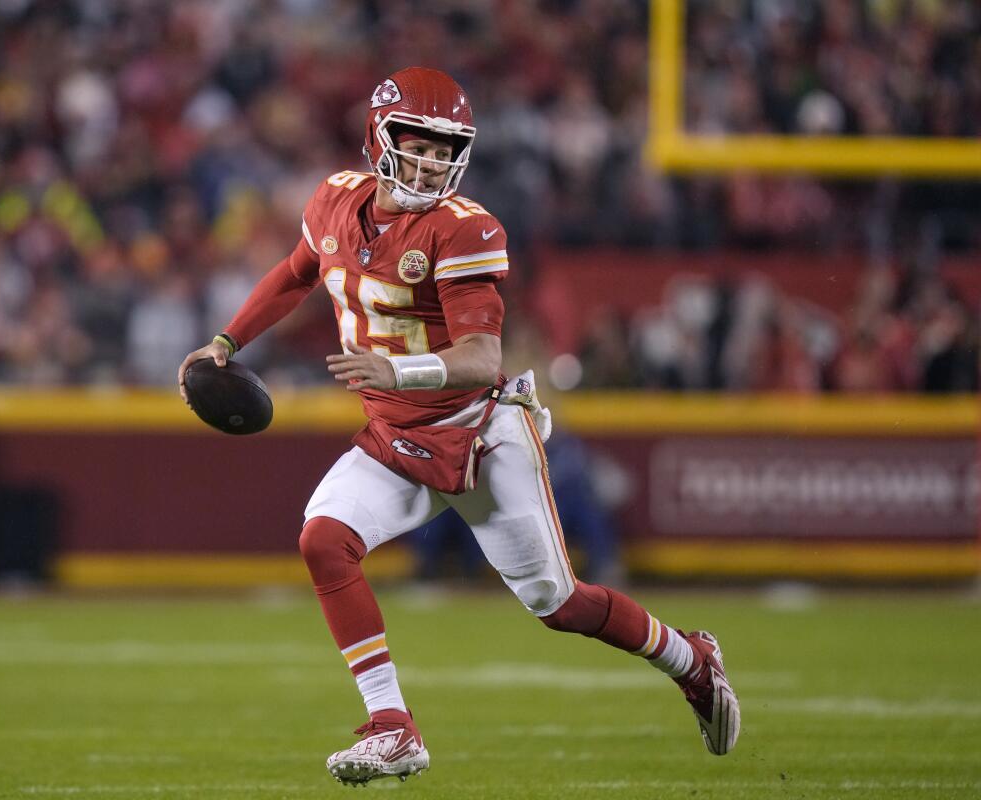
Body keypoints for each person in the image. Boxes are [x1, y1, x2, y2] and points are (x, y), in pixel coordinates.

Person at [178, 67, 740, 786]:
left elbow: (481, 358)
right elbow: (295, 273)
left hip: (479, 431)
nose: (434, 162)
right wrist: (225, 342)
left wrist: (398, 373)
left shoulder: (463, 228)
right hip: (394, 437)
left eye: (447, 149)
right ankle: (392, 726)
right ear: (380, 140)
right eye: (421, 144)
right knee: (324, 538)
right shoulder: (332, 202)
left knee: (559, 604)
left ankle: (692, 660)